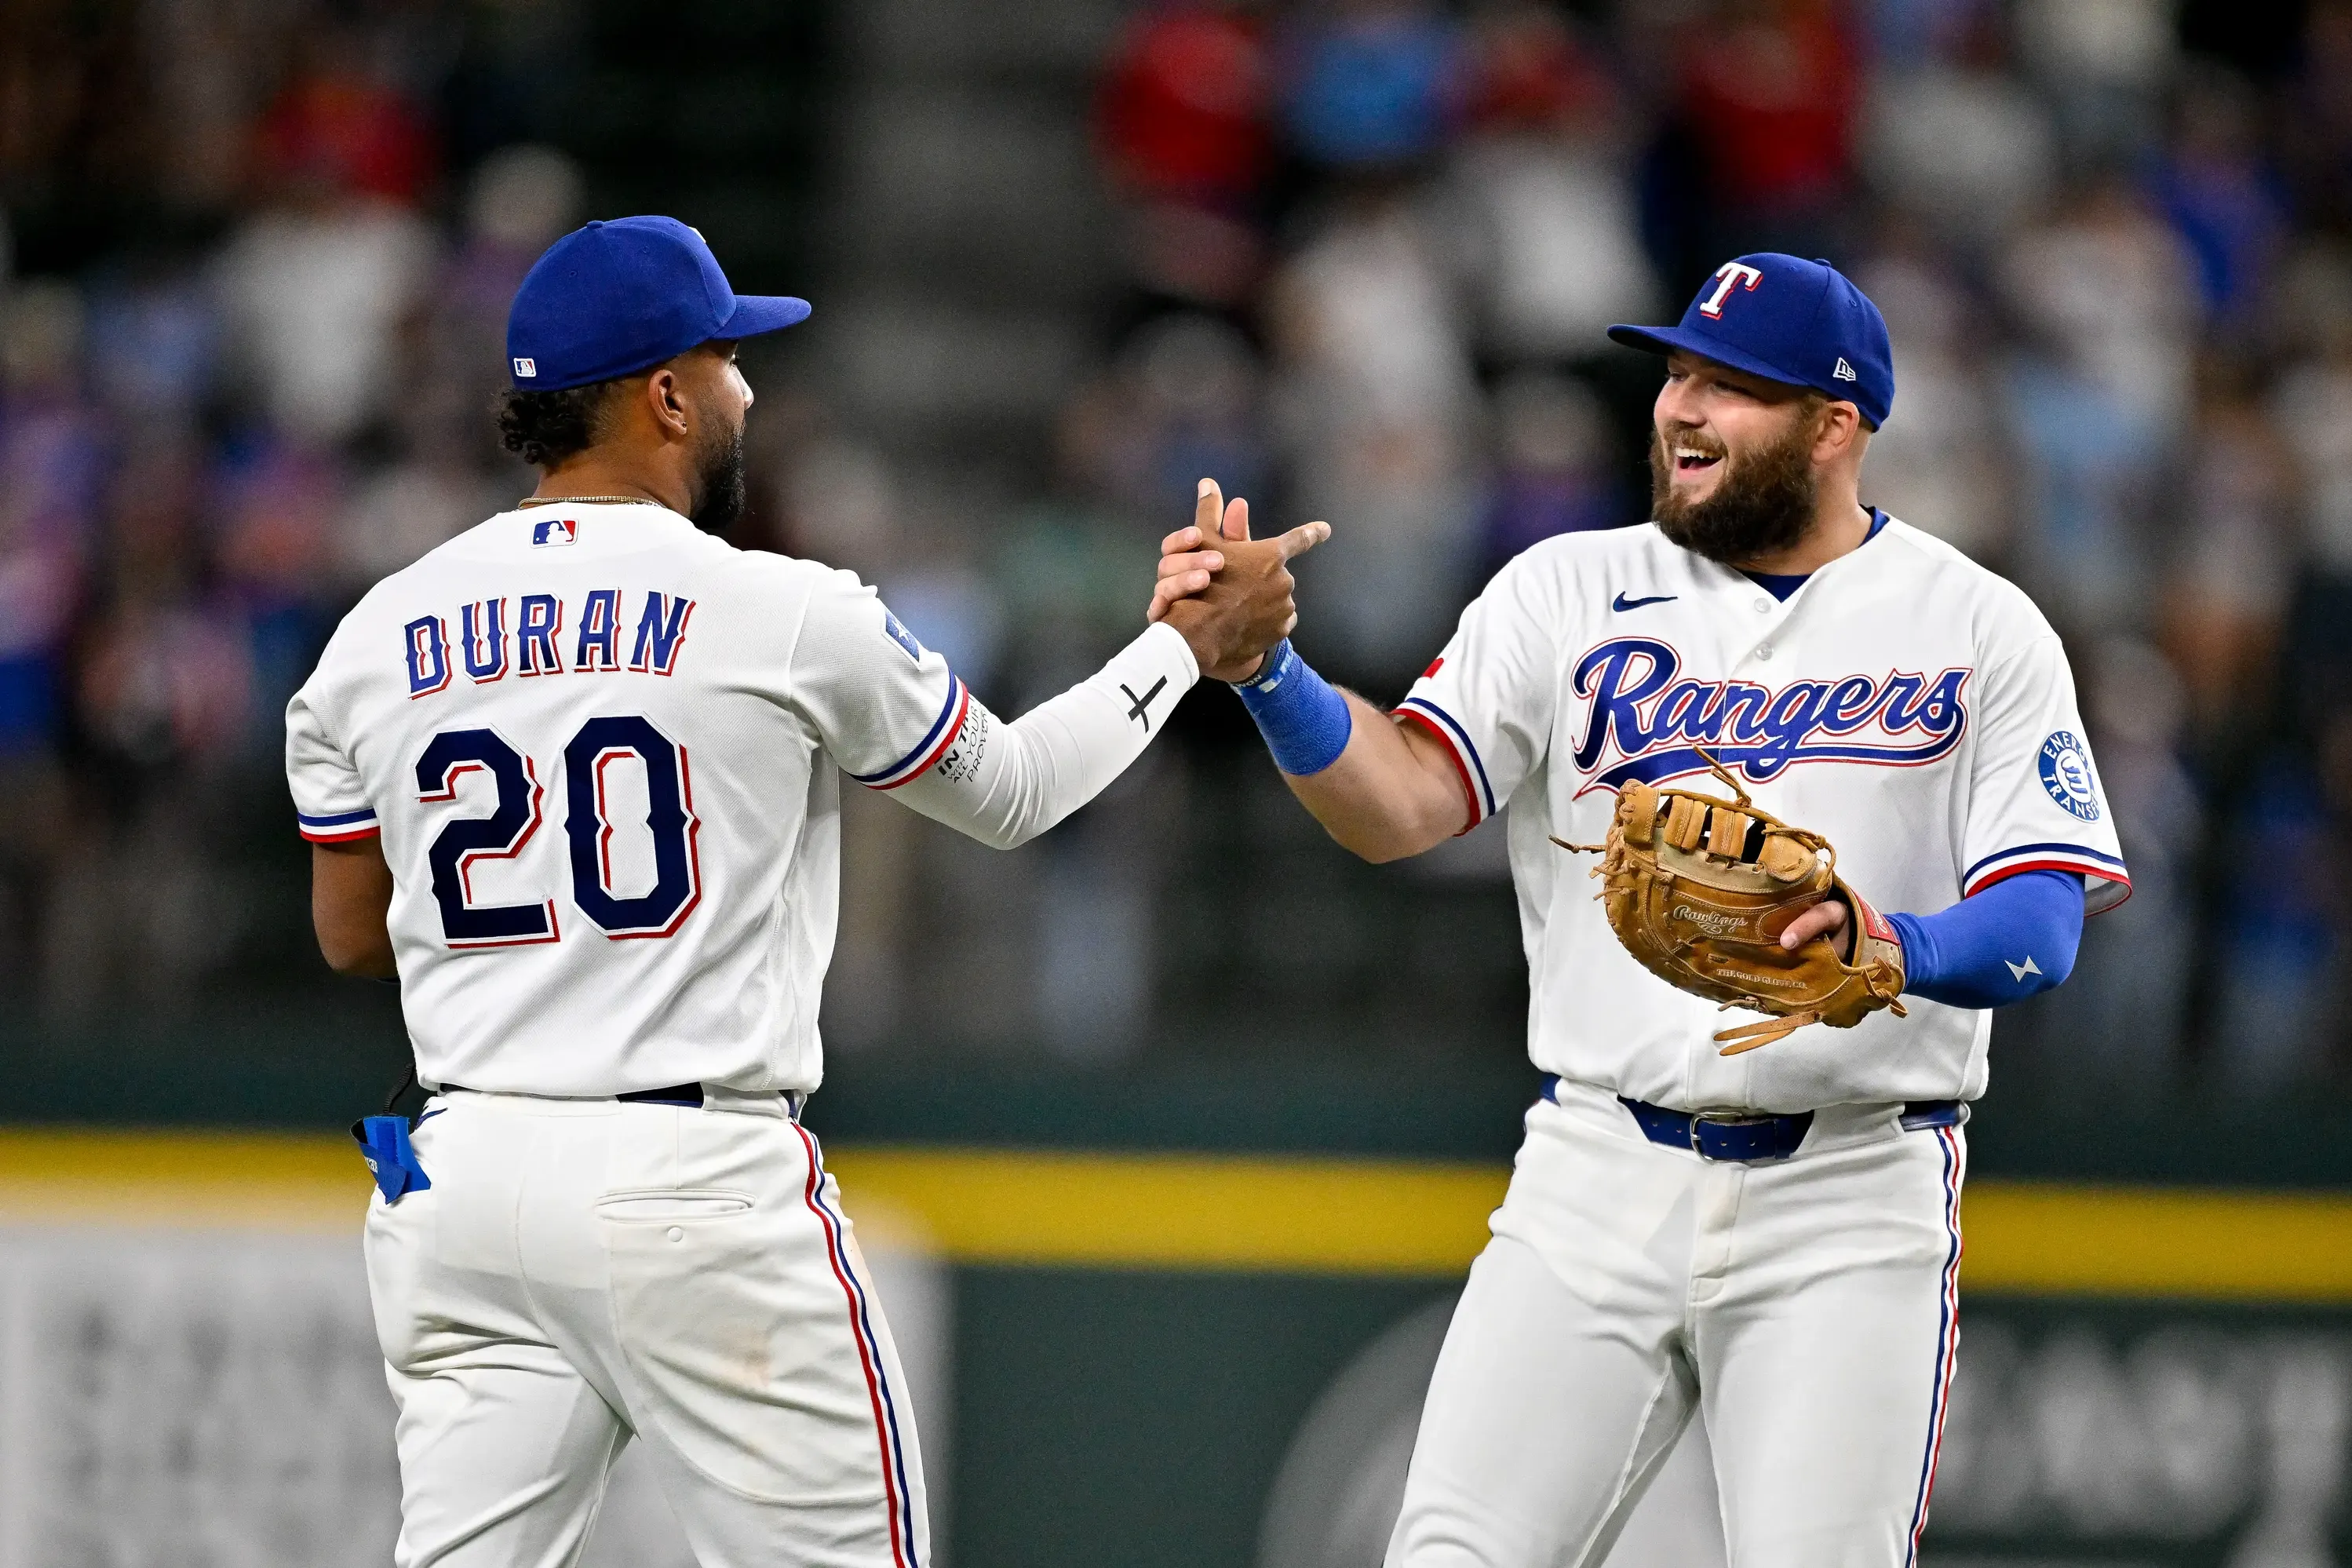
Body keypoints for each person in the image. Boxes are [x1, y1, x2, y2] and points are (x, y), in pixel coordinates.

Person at [285, 215, 1322, 1568]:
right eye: (728, 358)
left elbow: (355, 933)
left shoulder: (377, 631)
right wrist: (1182, 649)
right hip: (692, 1177)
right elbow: (1011, 795)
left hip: (462, 1182)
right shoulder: (776, 608)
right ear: (663, 394)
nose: (747, 388)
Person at [1154, 253, 2128, 1566]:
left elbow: (2042, 920)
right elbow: (1400, 805)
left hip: (1850, 1186)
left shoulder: (1978, 625)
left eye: (1731, 387)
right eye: (1676, 373)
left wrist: (1888, 947)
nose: (1680, 407)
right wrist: (1270, 670)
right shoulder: (1565, 587)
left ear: (1835, 427)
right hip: (1594, 1169)